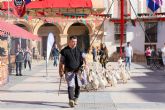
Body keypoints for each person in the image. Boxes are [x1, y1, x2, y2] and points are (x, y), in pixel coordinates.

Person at [59, 36, 86, 107]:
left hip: (78, 71)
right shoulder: (64, 51)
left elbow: (84, 58)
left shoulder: (79, 49)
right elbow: (61, 62)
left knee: (78, 85)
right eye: (73, 41)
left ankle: (76, 98)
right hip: (69, 71)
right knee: (70, 85)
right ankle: (71, 100)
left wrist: (85, 64)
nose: (75, 43)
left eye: (76, 42)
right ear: (69, 41)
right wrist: (60, 71)